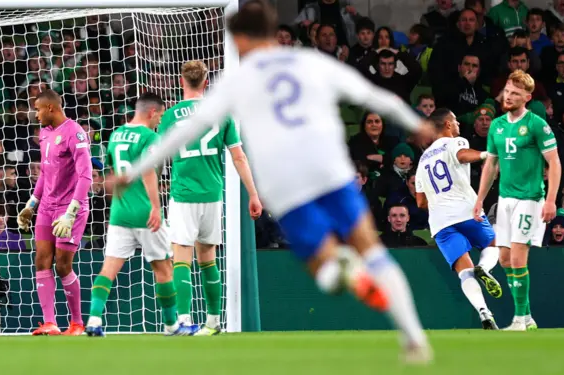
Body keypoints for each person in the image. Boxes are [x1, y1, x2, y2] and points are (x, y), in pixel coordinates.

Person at [114, 0, 433, 363]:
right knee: (372, 250)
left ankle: (341, 267)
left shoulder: (238, 80)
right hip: (330, 169)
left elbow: (178, 136)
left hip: (287, 186)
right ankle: (413, 338)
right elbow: (376, 96)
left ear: (239, 39)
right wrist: (416, 123)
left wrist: (133, 170)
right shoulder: (310, 61)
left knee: (324, 272)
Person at [158, 60, 262, 336]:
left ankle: (182, 320)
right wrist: (253, 194)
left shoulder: (169, 116)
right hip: (213, 195)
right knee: (208, 258)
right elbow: (238, 156)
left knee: (181, 257)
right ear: (206, 83)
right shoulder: (222, 114)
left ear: (182, 81)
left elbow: (157, 159)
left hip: (183, 195)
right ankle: (213, 322)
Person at [85, 93, 196, 337]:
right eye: (160, 115)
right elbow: (148, 172)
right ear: (152, 112)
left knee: (108, 269)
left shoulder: (115, 135)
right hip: (146, 214)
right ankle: (171, 325)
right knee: (164, 269)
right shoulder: (150, 137)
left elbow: (113, 176)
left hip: (119, 214)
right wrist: (156, 207)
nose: (160, 121)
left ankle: (93, 320)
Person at [474, 69, 561, 331]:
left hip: (530, 198)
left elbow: (554, 162)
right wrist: (479, 199)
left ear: (527, 97)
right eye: (507, 91)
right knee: (503, 259)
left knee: (518, 258)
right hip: (505, 200)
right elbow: (491, 165)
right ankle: (528, 317)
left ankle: (520, 320)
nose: (508, 96)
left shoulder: (536, 124)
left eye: (515, 93)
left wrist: (551, 200)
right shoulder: (497, 125)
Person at [415, 108, 501, 330]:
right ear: (447, 125)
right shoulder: (454, 142)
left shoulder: (422, 160)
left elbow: (420, 203)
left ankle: (484, 313)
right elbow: (463, 156)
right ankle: (485, 268)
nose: (458, 126)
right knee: (493, 244)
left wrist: (439, 202)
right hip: (466, 210)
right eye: (455, 122)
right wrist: (485, 155)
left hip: (440, 223)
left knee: (464, 272)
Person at [17, 89, 93, 336]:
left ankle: (77, 323)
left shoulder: (75, 132)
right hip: (47, 207)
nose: (35, 115)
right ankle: (49, 322)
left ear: (50, 108)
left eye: (38, 109)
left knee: (62, 265)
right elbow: (45, 172)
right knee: (41, 259)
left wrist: (71, 212)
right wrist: (31, 204)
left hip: (70, 207)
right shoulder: (44, 133)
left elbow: (86, 175)